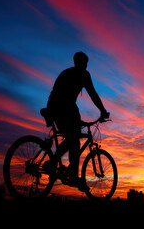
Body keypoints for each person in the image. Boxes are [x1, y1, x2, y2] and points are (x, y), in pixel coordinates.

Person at [46, 51, 109, 191]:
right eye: (84, 63)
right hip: (64, 107)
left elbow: (56, 94)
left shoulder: (67, 72)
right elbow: (92, 93)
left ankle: (53, 163)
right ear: (79, 62)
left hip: (57, 106)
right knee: (74, 141)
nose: (85, 65)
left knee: (71, 138)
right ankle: (73, 176)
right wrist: (103, 111)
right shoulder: (83, 75)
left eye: (86, 63)